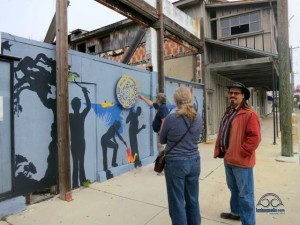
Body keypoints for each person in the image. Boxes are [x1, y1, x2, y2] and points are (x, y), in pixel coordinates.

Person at [214, 82, 261, 225]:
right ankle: (235, 212)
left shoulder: (249, 114)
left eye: (236, 93)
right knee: (234, 189)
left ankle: (248, 222)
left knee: (245, 195)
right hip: (228, 159)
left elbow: (255, 138)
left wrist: (242, 152)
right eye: (231, 93)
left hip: (241, 162)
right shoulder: (229, 111)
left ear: (243, 96)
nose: (232, 95)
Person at [159, 86, 202, 225]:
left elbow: (162, 140)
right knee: (193, 199)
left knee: (177, 202)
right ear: (190, 99)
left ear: (175, 100)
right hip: (194, 161)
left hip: (176, 163)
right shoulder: (198, 116)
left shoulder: (171, 118)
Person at [69, 87, 91, 189]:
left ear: (72, 106)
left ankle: (75, 185)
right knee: (81, 163)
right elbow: (89, 106)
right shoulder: (81, 116)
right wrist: (85, 93)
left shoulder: (70, 116)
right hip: (81, 143)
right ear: (79, 106)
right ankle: (83, 182)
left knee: (75, 164)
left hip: (74, 143)